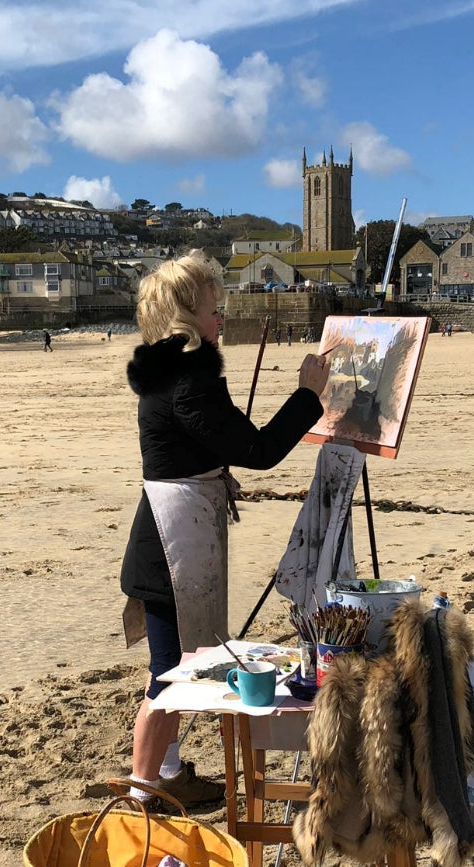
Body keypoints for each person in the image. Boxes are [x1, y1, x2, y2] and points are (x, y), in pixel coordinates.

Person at [120, 252, 329, 809]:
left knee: (175, 670)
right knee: (170, 679)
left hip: (168, 535)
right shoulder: (189, 380)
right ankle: (141, 795)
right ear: (187, 315)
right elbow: (258, 450)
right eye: (214, 310)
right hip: (170, 548)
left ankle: (166, 774)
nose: (221, 319)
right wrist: (308, 394)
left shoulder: (168, 372)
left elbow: (199, 446)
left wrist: (214, 462)